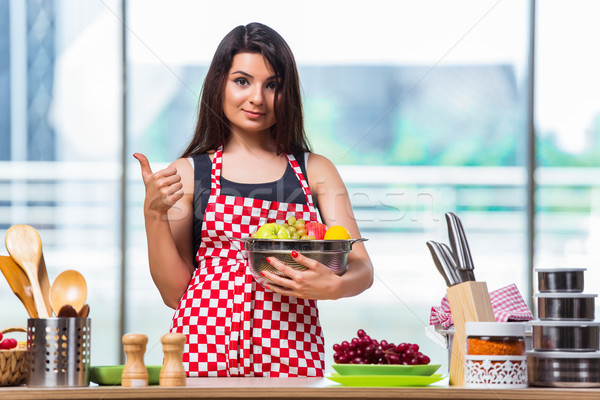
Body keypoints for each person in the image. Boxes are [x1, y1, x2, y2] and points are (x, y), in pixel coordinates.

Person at [134, 22, 373, 377]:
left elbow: (363, 269)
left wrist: (335, 287)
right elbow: (175, 294)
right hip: (202, 351)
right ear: (219, 85)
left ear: (286, 93)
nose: (257, 98)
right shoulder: (187, 173)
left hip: (294, 354)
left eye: (272, 85)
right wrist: (152, 215)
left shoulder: (316, 171)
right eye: (242, 81)